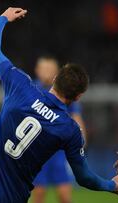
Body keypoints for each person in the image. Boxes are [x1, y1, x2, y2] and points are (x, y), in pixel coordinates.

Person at [0, 7, 118, 203]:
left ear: (54, 79)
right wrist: (110, 185)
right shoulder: (69, 130)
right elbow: (84, 177)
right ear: (78, 97)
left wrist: (2, 18)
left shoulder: (21, 85)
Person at [32, 56, 87, 203]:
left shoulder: (65, 92)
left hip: (58, 152)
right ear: (37, 71)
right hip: (37, 150)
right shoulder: (32, 90)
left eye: (50, 69)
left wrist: (81, 141)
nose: (47, 73)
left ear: (57, 73)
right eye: (44, 69)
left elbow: (76, 117)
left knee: (64, 195)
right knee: (38, 195)